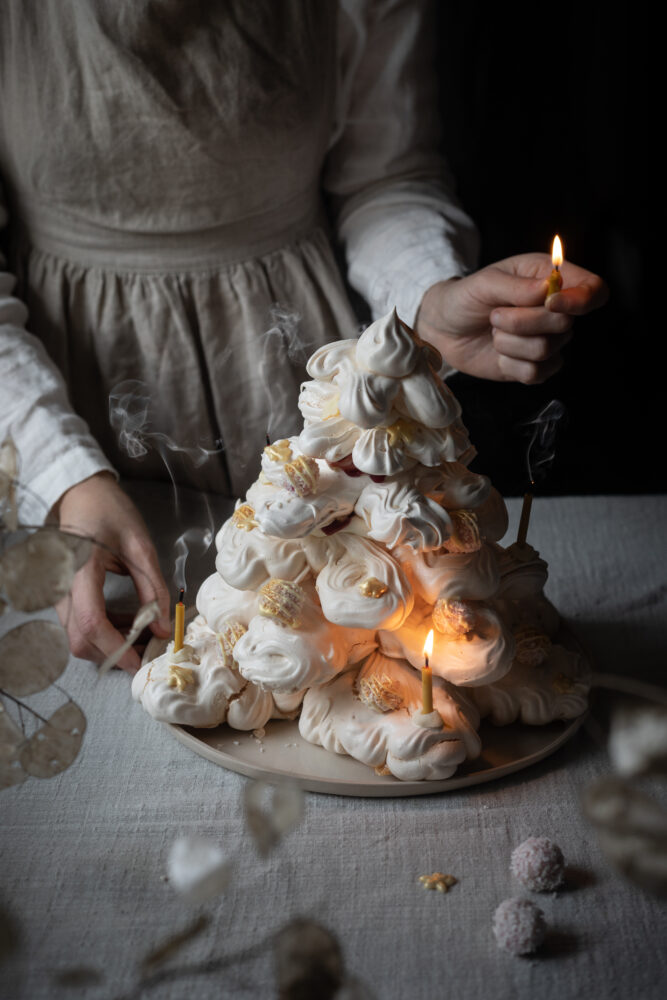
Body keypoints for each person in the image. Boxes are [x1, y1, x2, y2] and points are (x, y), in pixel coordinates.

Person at [0, 0, 607, 673]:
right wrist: (62, 477)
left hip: (302, 392)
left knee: (334, 644)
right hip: (54, 416)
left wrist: (427, 299)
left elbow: (385, 177)